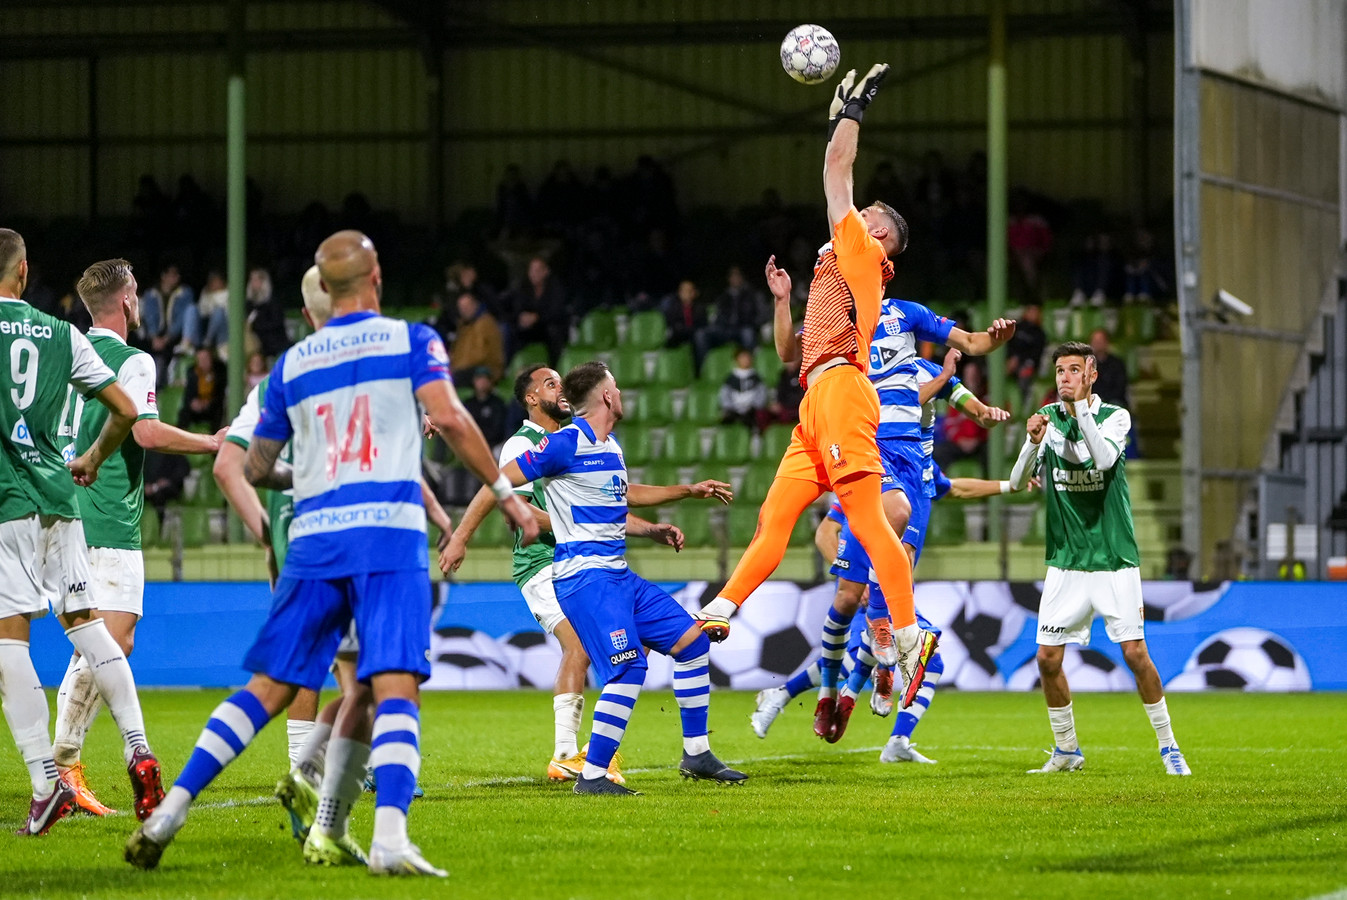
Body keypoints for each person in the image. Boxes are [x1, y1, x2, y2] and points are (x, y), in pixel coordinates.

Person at [125, 230, 536, 875]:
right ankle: (391, 839)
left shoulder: (292, 365)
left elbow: (256, 466)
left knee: (269, 687)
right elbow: (453, 420)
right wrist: (506, 497)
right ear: (375, 280)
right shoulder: (413, 341)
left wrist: (303, 481)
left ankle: (171, 810)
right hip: (386, 536)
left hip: (315, 538)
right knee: (393, 681)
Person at [697, 65, 940, 696]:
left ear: (881, 233)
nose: (860, 210)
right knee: (773, 519)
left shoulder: (860, 249)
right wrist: (783, 301)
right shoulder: (839, 261)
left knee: (865, 520)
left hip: (842, 393)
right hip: (816, 398)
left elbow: (836, 170)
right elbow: (791, 352)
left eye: (872, 212)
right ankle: (721, 609)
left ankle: (910, 640)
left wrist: (851, 114)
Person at [212, 265, 452, 845]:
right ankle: (311, 781)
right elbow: (233, 463)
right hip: (342, 537)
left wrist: (264, 527)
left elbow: (234, 463)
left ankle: (322, 776)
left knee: (338, 669)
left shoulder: (288, 374)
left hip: (314, 535)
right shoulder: (348, 368)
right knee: (337, 668)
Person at [441, 363, 732, 783]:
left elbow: (620, 496)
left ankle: (697, 755)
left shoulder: (609, 446)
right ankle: (587, 770)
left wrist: (685, 493)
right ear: (607, 397)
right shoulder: (560, 444)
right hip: (582, 576)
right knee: (623, 665)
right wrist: (460, 536)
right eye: (616, 386)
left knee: (691, 644)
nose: (621, 391)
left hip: (618, 575)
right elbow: (497, 485)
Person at [49, 259, 226, 818]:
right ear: (127, 303)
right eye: (138, 295)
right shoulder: (132, 361)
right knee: (111, 641)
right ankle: (64, 765)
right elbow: (145, 431)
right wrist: (212, 442)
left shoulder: (65, 355)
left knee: (102, 641)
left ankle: (62, 766)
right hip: (106, 522)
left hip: (59, 513)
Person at [0, 228, 161, 837]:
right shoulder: (61, 334)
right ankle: (139, 752)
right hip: (63, 499)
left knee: (9, 641)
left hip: (8, 500)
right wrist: (91, 459)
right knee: (92, 628)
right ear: (23, 274)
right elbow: (127, 412)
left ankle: (48, 785)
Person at [1008, 340, 1190, 776]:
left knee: (1134, 654)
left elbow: (1104, 459)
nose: (1064, 379)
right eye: (1059, 373)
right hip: (1066, 563)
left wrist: (1076, 413)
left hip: (1113, 559)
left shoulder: (1115, 416)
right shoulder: (1046, 420)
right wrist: (1032, 444)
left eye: (1073, 370)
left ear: (1092, 374)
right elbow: (1017, 481)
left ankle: (1169, 748)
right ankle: (1067, 750)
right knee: (1047, 660)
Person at [449, 291, 505, 383]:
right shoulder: (463, 326)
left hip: (487, 368)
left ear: (475, 305)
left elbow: (479, 356)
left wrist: (457, 368)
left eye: (467, 306)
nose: (464, 311)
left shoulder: (485, 323)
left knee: (453, 378)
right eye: (461, 308)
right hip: (466, 368)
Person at [178, 345, 227, 432]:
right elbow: (188, 393)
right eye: (201, 359)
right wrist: (193, 402)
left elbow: (221, 393)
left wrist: (208, 402)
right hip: (198, 407)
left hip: (212, 406)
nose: (203, 362)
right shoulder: (193, 372)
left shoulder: (220, 371)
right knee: (184, 412)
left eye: (206, 358)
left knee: (219, 411)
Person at [719, 347, 767, 430]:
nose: (745, 360)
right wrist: (730, 407)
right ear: (736, 360)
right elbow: (725, 395)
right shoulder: (730, 379)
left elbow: (761, 394)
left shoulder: (756, 378)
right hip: (733, 410)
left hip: (751, 411)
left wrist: (754, 406)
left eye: (747, 357)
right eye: (742, 357)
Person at [463, 366, 509, 447]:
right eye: (479, 379)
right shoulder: (469, 403)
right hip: (471, 443)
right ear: (474, 381)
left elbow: (499, 429)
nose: (482, 382)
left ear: (491, 382)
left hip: (494, 444)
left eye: (485, 379)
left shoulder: (498, 403)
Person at [1089, 328, 1129, 409]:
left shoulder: (1117, 363)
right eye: (1095, 341)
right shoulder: (1087, 364)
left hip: (1113, 401)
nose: (1097, 344)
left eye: (1100, 341)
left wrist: (1104, 399)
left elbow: (1120, 388)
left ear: (1107, 342)